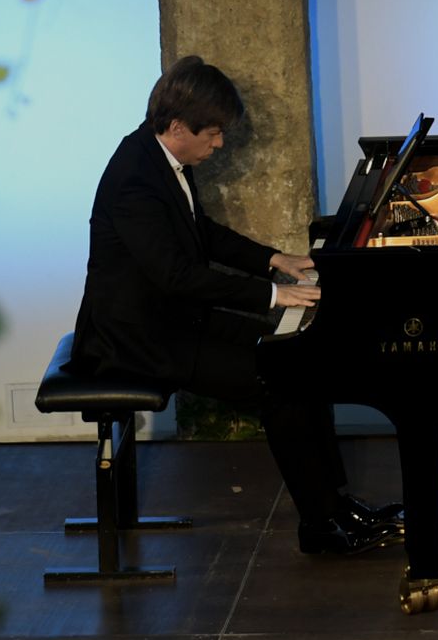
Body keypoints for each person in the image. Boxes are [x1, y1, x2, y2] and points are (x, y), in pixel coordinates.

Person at [69, 55, 400, 554]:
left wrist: (274, 260)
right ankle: (321, 526)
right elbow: (177, 275)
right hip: (138, 338)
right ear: (178, 126)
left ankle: (337, 506)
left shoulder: (160, 156)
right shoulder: (135, 179)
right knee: (280, 383)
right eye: (213, 134)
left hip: (175, 319)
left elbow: (201, 233)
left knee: (300, 361)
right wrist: (273, 295)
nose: (220, 144)